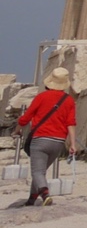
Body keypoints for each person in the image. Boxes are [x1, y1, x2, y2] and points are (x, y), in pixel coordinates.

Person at [16, 67, 77, 207]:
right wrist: (73, 144)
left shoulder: (41, 97)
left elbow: (26, 118)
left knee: (37, 171)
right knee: (41, 171)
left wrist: (17, 130)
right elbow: (71, 123)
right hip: (58, 142)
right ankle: (31, 199)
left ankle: (45, 195)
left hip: (40, 139)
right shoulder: (69, 101)